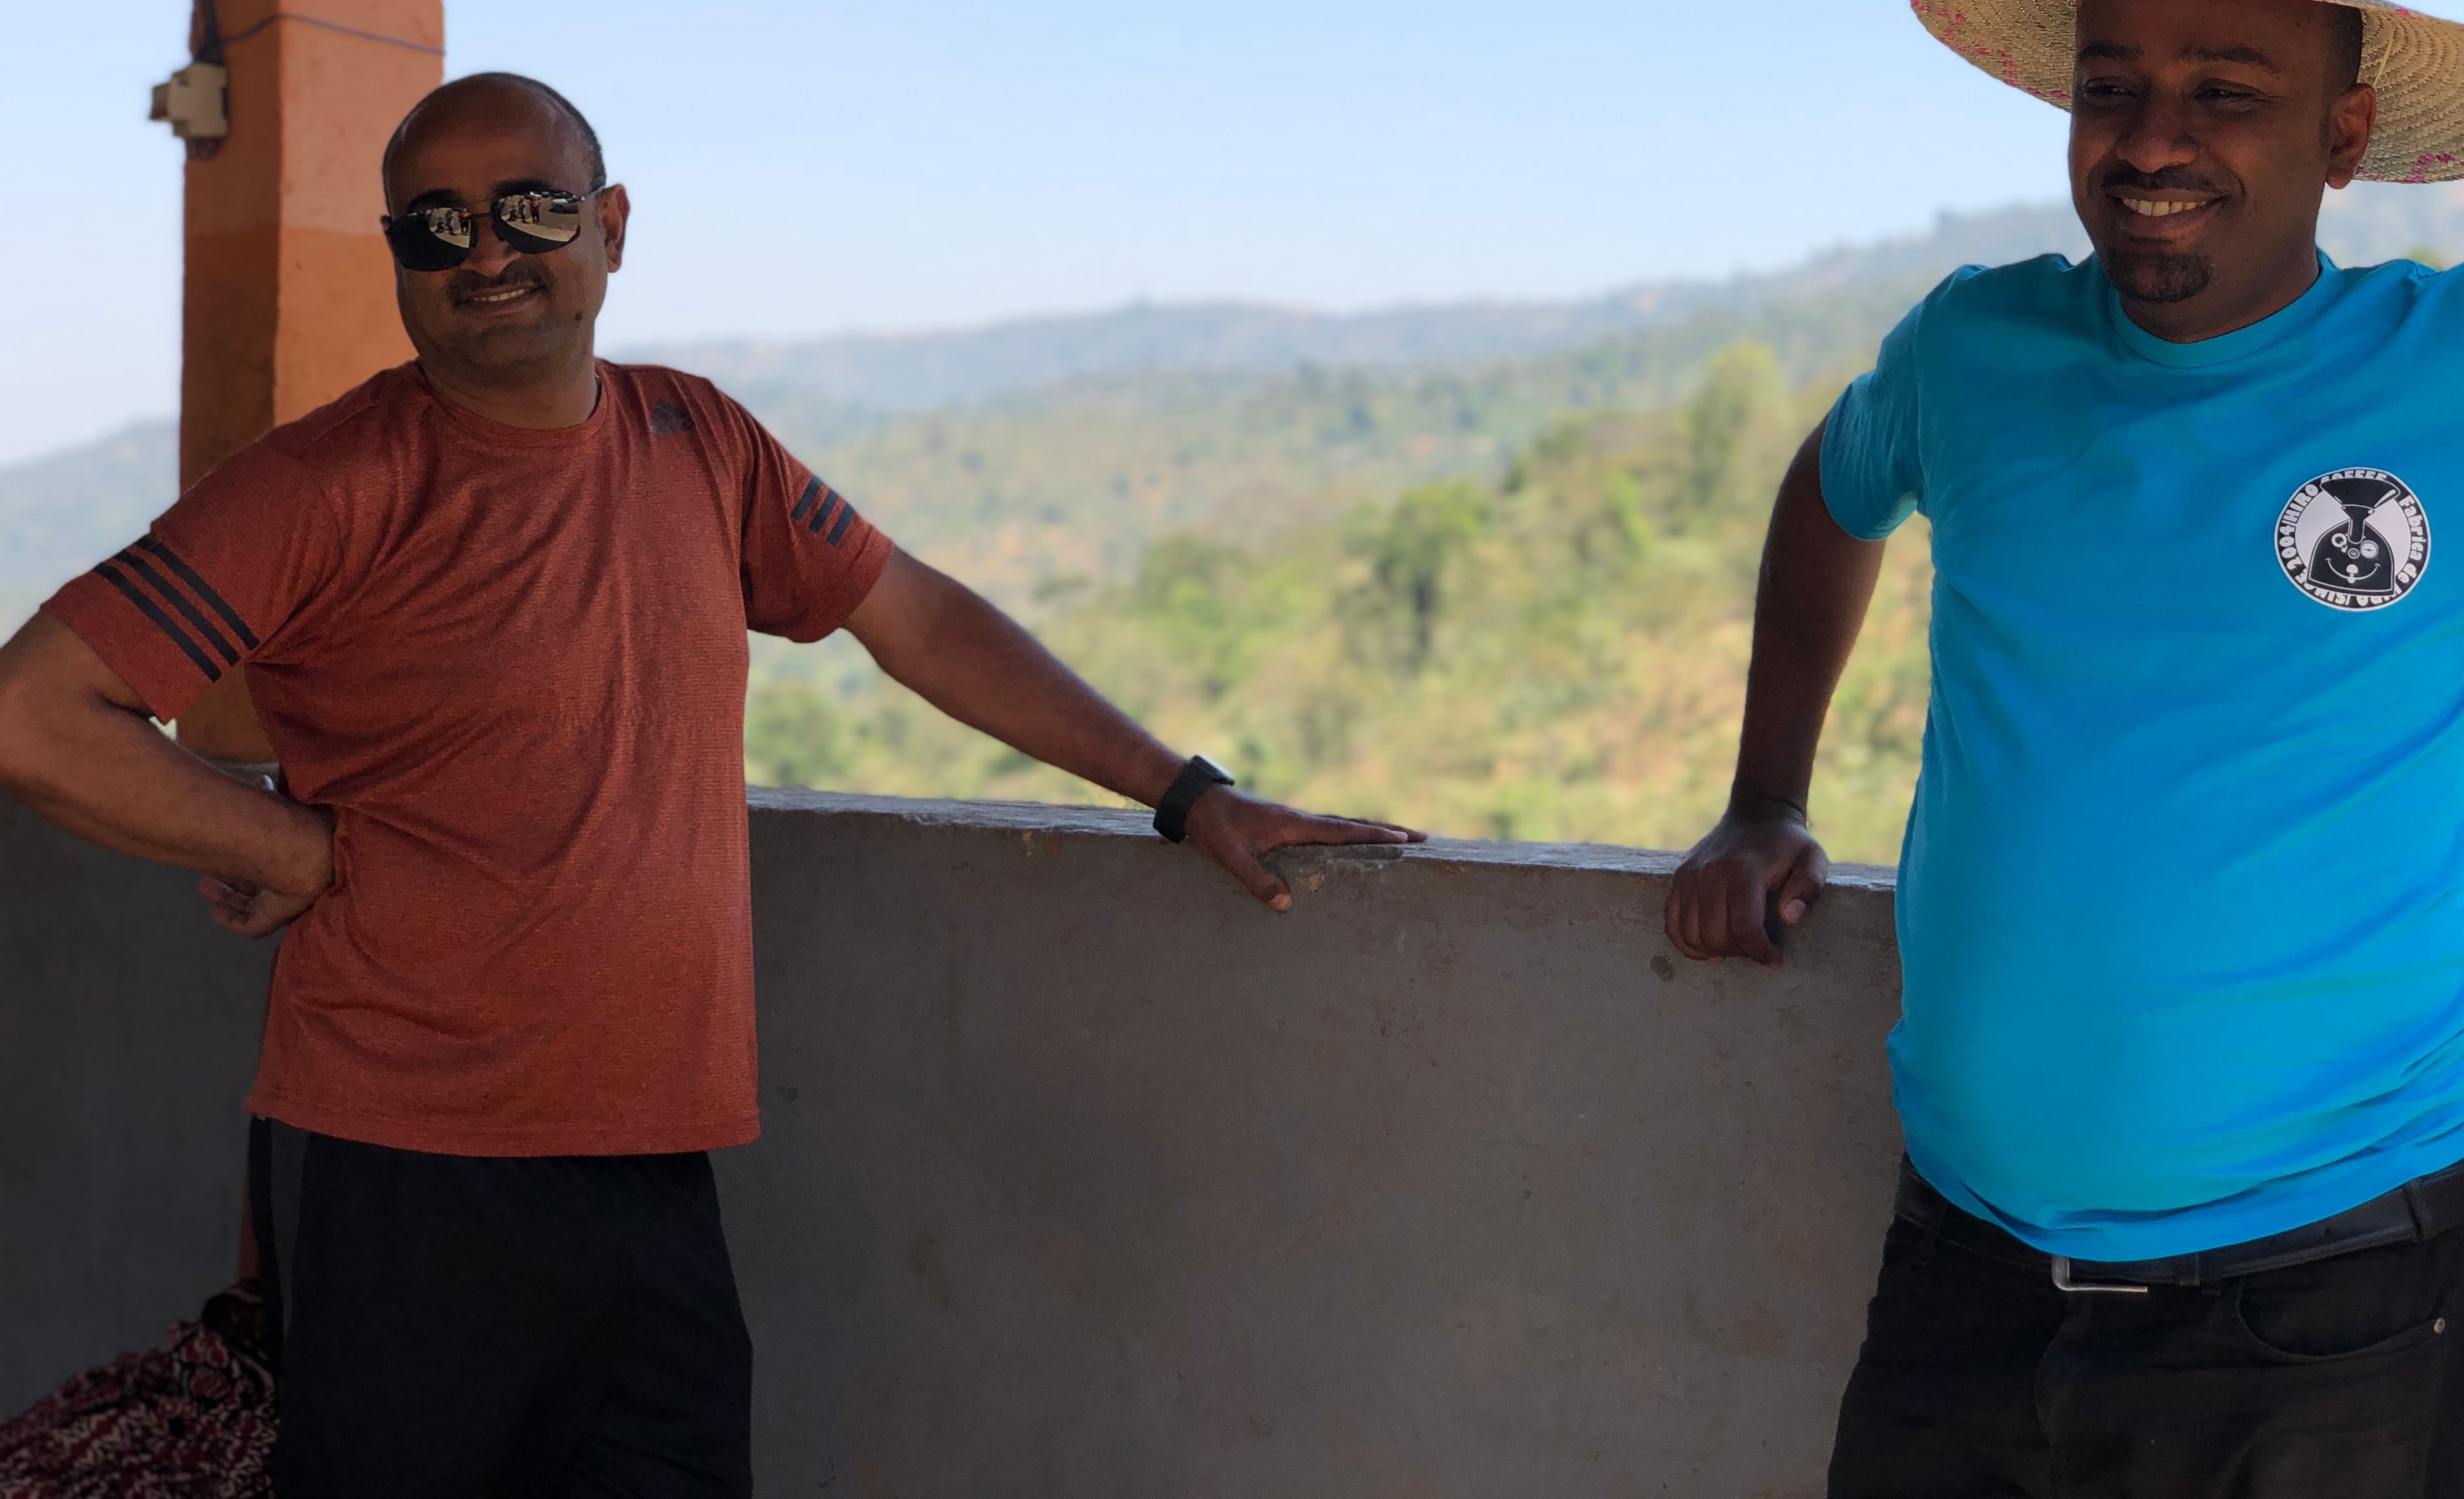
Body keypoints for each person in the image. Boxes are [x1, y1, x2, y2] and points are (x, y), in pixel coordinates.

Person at [0, 72, 1419, 1497]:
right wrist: (287, 849)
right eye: (435, 226)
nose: (484, 252)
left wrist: (1185, 792)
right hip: (407, 1158)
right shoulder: (327, 481)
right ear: (398, 259)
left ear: (611, 227)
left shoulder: (699, 441)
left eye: (529, 209)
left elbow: (917, 619)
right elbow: (36, 714)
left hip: (652, 1152)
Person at [1663, 0, 2464, 1498]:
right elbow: (1832, 489)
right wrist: (1763, 799)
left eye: (2226, 91)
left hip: (2326, 1301)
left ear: (2344, 135)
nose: (2152, 141)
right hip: (1964, 1269)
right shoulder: (1976, 349)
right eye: (2113, 88)